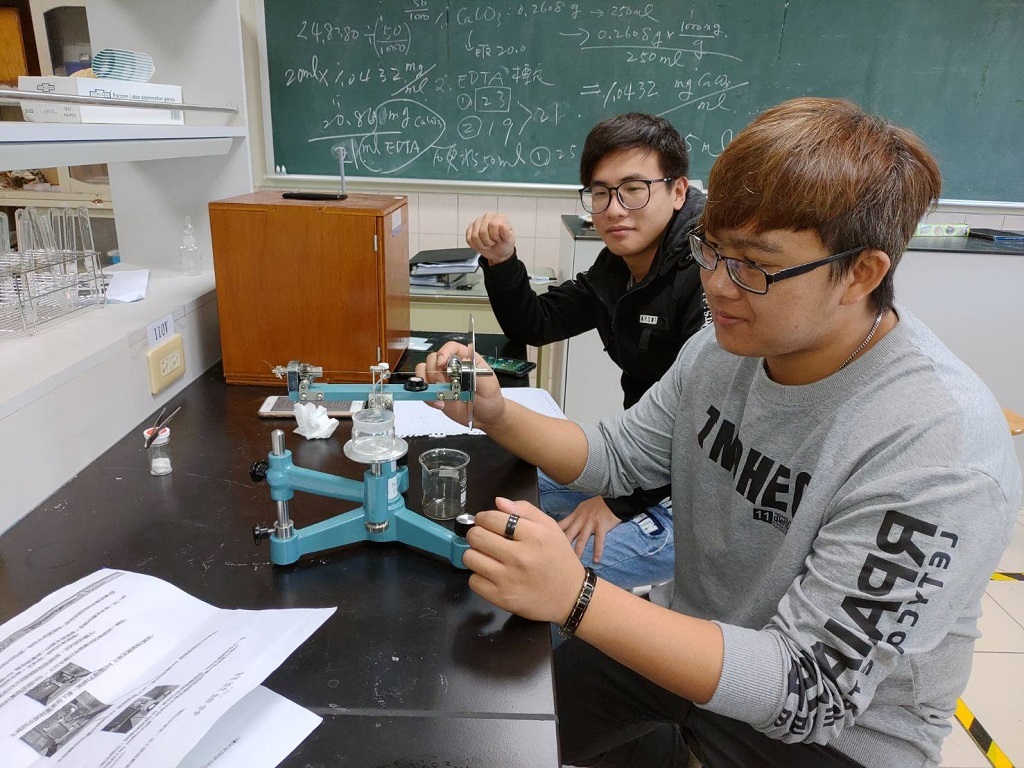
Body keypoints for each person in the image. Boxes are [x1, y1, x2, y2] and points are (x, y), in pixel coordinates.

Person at [419, 97, 1022, 767]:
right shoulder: (722, 350)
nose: (718, 286)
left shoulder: (937, 447)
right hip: (694, 647)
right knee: (492, 733)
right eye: (710, 249)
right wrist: (495, 412)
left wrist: (577, 596)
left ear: (861, 273)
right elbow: (617, 457)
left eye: (754, 265)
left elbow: (809, 691)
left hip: (833, 738)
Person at [465, 113, 708, 589]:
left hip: (690, 495)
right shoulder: (617, 266)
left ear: (678, 191)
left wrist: (618, 503)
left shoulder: (707, 271)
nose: (614, 209)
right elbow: (536, 323)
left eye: (634, 189)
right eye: (600, 193)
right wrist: (501, 261)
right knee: (495, 497)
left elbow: (701, 421)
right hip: (633, 465)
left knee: (537, 576)